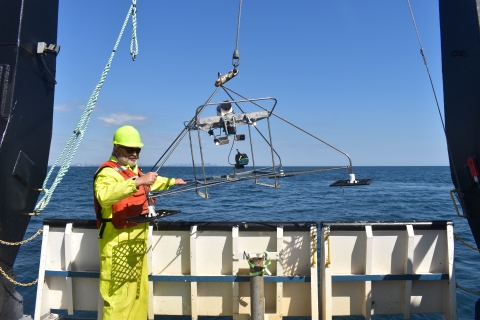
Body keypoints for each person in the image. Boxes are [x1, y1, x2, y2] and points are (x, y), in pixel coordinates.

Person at [93, 125, 186, 320]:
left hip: (137, 244)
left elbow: (152, 181)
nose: (135, 153)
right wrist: (137, 182)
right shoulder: (107, 173)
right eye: (130, 149)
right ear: (116, 149)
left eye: (138, 150)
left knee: (138, 296)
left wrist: (172, 182)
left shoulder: (133, 170)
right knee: (118, 300)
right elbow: (104, 196)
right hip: (115, 245)